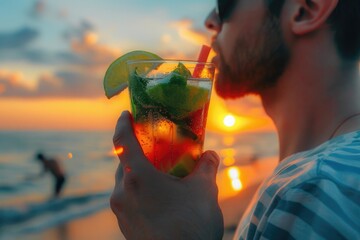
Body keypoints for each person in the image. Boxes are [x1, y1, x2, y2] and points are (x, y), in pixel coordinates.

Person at [110, 0, 360, 239]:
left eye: (226, 3)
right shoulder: (308, 178)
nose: (210, 20)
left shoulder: (314, 191)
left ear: (305, 9)